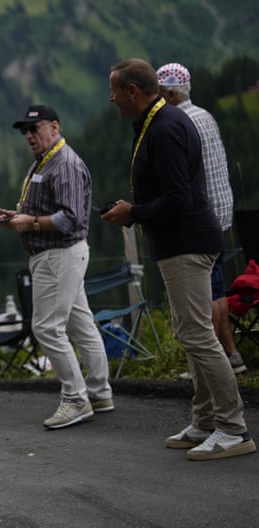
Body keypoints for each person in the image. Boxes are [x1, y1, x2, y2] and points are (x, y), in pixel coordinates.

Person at [103, 58, 255, 460]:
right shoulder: (161, 121)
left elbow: (177, 198)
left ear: (133, 91)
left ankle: (233, 429)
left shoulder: (166, 127)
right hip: (181, 243)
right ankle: (205, 419)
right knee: (192, 331)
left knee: (199, 336)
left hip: (187, 242)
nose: (112, 98)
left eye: (115, 90)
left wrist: (131, 213)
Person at [0, 104, 113, 429]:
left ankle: (76, 399)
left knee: (46, 327)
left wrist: (29, 223)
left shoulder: (65, 164)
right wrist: (18, 220)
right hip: (57, 254)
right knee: (81, 324)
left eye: (36, 128)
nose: (29, 135)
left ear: (55, 128)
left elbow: (70, 217)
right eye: (25, 131)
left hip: (59, 255)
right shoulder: (47, 161)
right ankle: (100, 393)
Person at [155, 62, 246, 375]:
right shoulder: (205, 115)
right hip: (222, 211)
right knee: (216, 288)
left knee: (204, 292)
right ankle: (231, 355)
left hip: (201, 216)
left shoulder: (178, 121)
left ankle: (210, 362)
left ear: (168, 93)